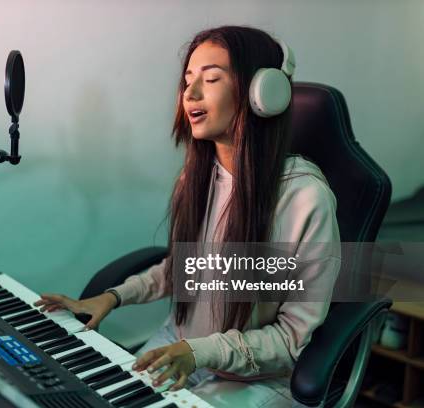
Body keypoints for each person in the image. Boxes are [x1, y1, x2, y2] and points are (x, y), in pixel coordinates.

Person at [34, 25, 340, 407]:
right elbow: (182, 268)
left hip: (258, 376)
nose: (189, 94)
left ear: (262, 93)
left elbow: (291, 339)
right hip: (180, 345)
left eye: (210, 78)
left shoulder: (306, 199)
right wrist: (112, 297)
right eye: (187, 80)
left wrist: (200, 352)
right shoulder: (196, 177)